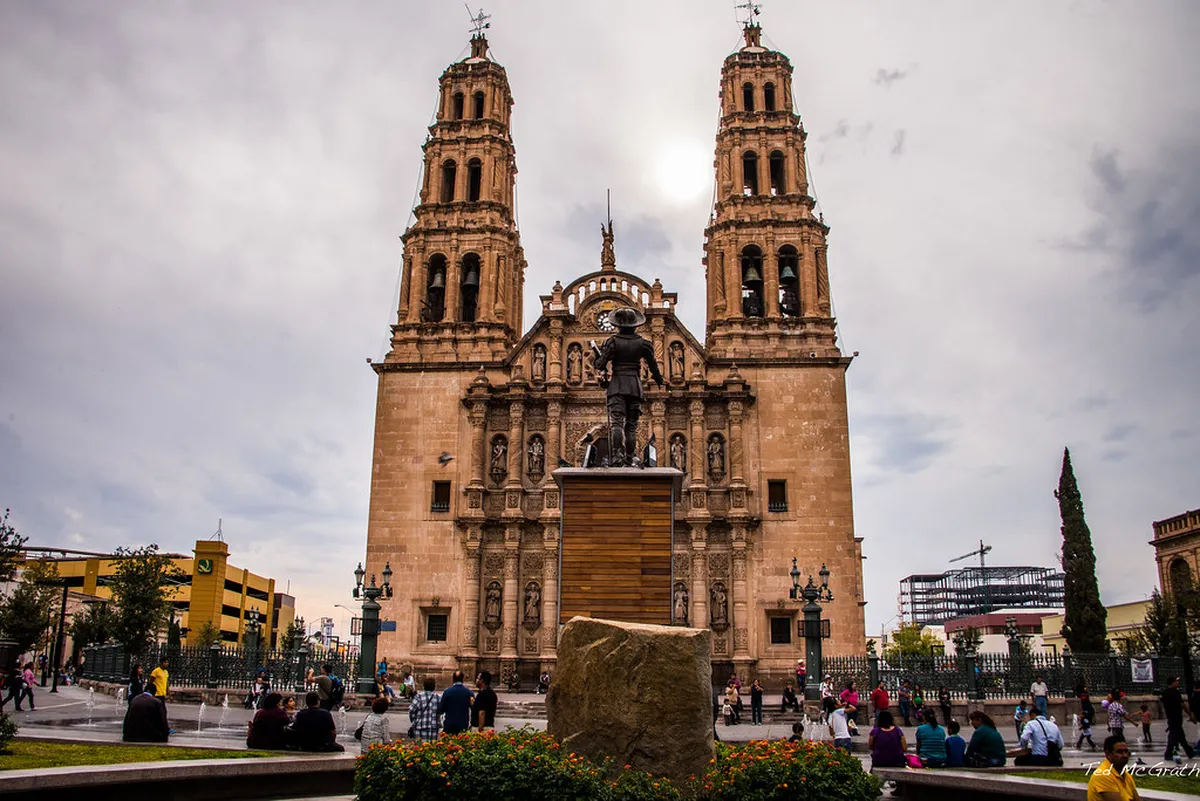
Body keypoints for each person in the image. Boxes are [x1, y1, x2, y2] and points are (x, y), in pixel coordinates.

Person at [592, 307, 664, 466]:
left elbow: (600, 364)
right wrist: (659, 380)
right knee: (631, 426)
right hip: (635, 386)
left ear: (618, 324)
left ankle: (617, 455)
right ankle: (630, 456)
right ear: (635, 325)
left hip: (617, 385)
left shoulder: (612, 342)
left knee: (617, 423)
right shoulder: (644, 344)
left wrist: (596, 357)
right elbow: (653, 366)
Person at [1087, 735, 1140, 801]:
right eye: (1119, 752)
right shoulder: (1103, 775)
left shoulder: (1126, 775)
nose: (1125, 755)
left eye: (1126, 751)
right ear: (1108, 754)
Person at [1160, 675, 1196, 763]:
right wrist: (1190, 715)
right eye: (1176, 681)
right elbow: (1182, 705)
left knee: (1180, 736)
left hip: (1170, 717)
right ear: (1172, 682)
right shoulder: (1175, 692)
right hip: (1176, 717)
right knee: (1173, 736)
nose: (1178, 683)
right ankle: (1168, 753)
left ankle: (1189, 752)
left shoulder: (1165, 693)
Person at [438, 670, 474, 736]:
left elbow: (441, 709)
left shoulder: (447, 692)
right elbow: (473, 707)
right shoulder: (469, 692)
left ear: (453, 679)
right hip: (463, 724)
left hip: (449, 724)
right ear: (463, 679)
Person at [409, 677, 441, 742]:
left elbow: (411, 710)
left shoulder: (419, 696)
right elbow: (441, 711)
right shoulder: (438, 697)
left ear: (424, 686)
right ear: (434, 687)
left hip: (420, 727)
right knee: (432, 749)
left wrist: (414, 721)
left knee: (419, 749)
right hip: (433, 727)